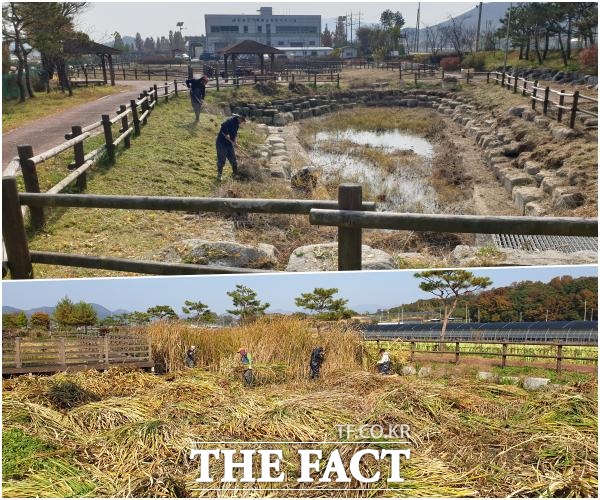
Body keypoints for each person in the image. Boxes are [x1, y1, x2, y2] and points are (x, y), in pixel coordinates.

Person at [216, 114, 246, 181]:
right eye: (242, 120)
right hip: (221, 143)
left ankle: (235, 174)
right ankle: (219, 176)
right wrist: (232, 142)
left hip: (229, 144)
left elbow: (235, 135)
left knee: (233, 160)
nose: (242, 122)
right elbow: (225, 134)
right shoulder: (229, 121)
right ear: (239, 118)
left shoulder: (237, 124)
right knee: (221, 160)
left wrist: (235, 142)